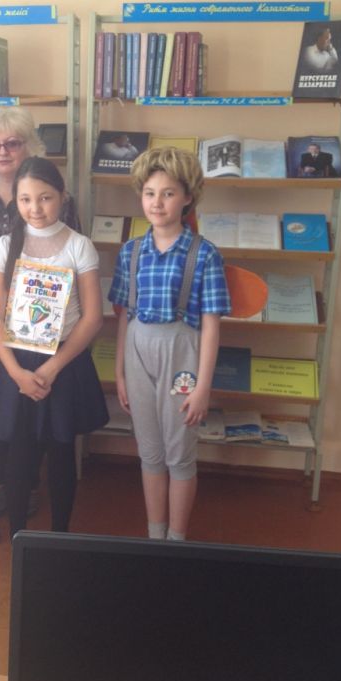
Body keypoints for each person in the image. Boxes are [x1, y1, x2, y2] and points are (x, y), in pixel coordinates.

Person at [0, 107, 80, 517]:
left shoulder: (59, 198)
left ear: (30, 146)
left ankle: (29, 480)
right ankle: (0, 479)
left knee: (35, 400)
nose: (1, 151)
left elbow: (73, 260)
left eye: (11, 143)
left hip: (42, 322)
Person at [109, 147, 230, 541]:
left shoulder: (204, 254)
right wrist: (120, 371)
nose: (157, 203)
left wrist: (203, 386)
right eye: (149, 193)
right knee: (149, 451)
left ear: (187, 197)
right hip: (138, 352)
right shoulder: (130, 252)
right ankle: (154, 534)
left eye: (168, 193)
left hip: (183, 355)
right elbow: (124, 315)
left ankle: (176, 540)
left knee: (179, 452)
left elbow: (211, 325)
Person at [0, 157, 108, 538]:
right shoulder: (4, 247)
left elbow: (92, 318)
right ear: (16, 200)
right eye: (25, 199)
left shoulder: (79, 246)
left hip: (64, 363)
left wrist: (52, 368)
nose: (35, 208)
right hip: (17, 364)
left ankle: (59, 536)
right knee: (19, 455)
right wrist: (16, 373)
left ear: (62, 196)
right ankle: (19, 537)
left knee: (61, 452)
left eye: (45, 198)